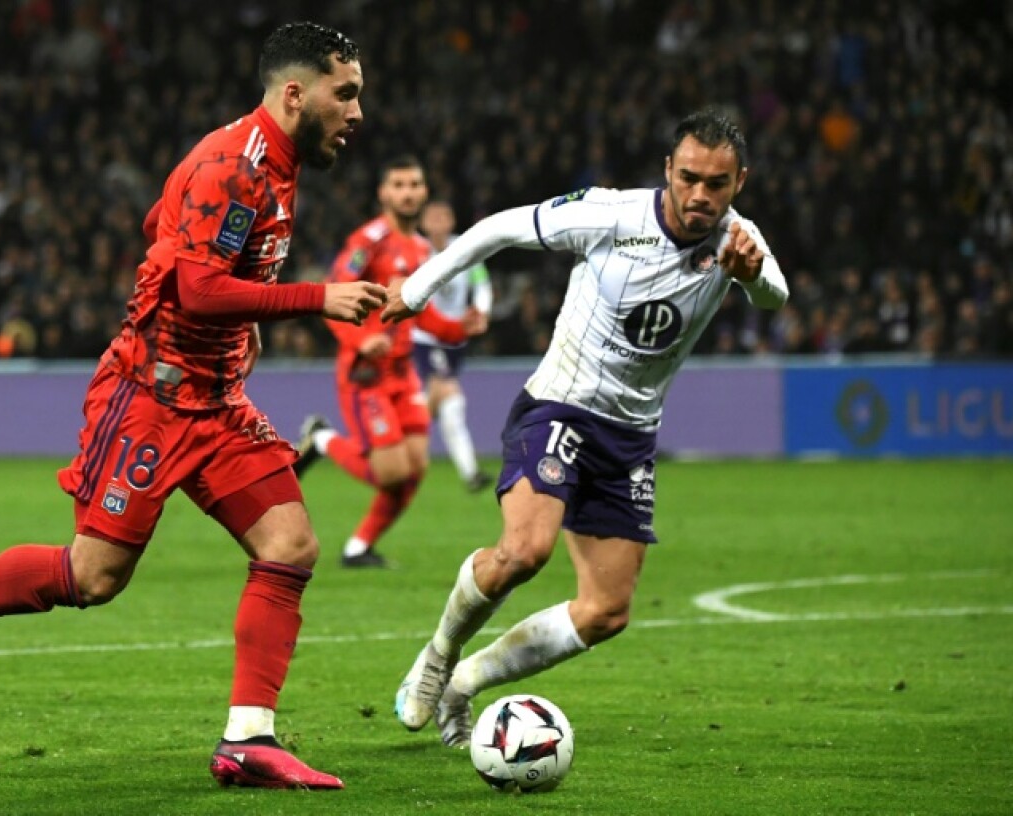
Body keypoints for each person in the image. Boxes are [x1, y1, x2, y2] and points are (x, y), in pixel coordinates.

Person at [0, 22, 384, 791]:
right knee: (93, 577)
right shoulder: (233, 166)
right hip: (150, 397)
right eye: (346, 94)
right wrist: (318, 300)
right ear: (295, 93)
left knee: (290, 543)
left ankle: (248, 739)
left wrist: (234, 327)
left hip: (215, 403)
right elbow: (196, 286)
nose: (357, 113)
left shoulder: (274, 162)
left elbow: (162, 232)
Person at [382, 109, 789, 748]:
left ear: (740, 182)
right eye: (689, 179)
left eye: (717, 183)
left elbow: (776, 297)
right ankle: (435, 658)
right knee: (524, 553)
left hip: (629, 438)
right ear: (668, 172)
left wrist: (752, 272)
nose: (700, 195)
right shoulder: (611, 214)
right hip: (560, 407)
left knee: (606, 612)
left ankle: (466, 680)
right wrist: (417, 290)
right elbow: (498, 229)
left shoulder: (738, 239)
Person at [293, 157, 479, 568]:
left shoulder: (420, 248)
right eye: (398, 184)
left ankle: (358, 548)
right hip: (365, 375)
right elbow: (331, 295)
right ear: (383, 193)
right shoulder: (369, 240)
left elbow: (419, 313)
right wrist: (363, 339)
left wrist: (458, 329)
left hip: (402, 372)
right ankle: (322, 439)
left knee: (414, 469)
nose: (408, 192)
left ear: (425, 191)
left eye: (414, 184)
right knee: (392, 473)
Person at [411, 200, 494, 493]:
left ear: (451, 220)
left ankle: (404, 444)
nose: (438, 222)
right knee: (449, 394)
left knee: (444, 406)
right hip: (426, 338)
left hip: (456, 339)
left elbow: (481, 283)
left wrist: (481, 312)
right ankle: (469, 471)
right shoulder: (416, 250)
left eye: (443, 216)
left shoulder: (466, 247)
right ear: (423, 222)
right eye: (432, 217)